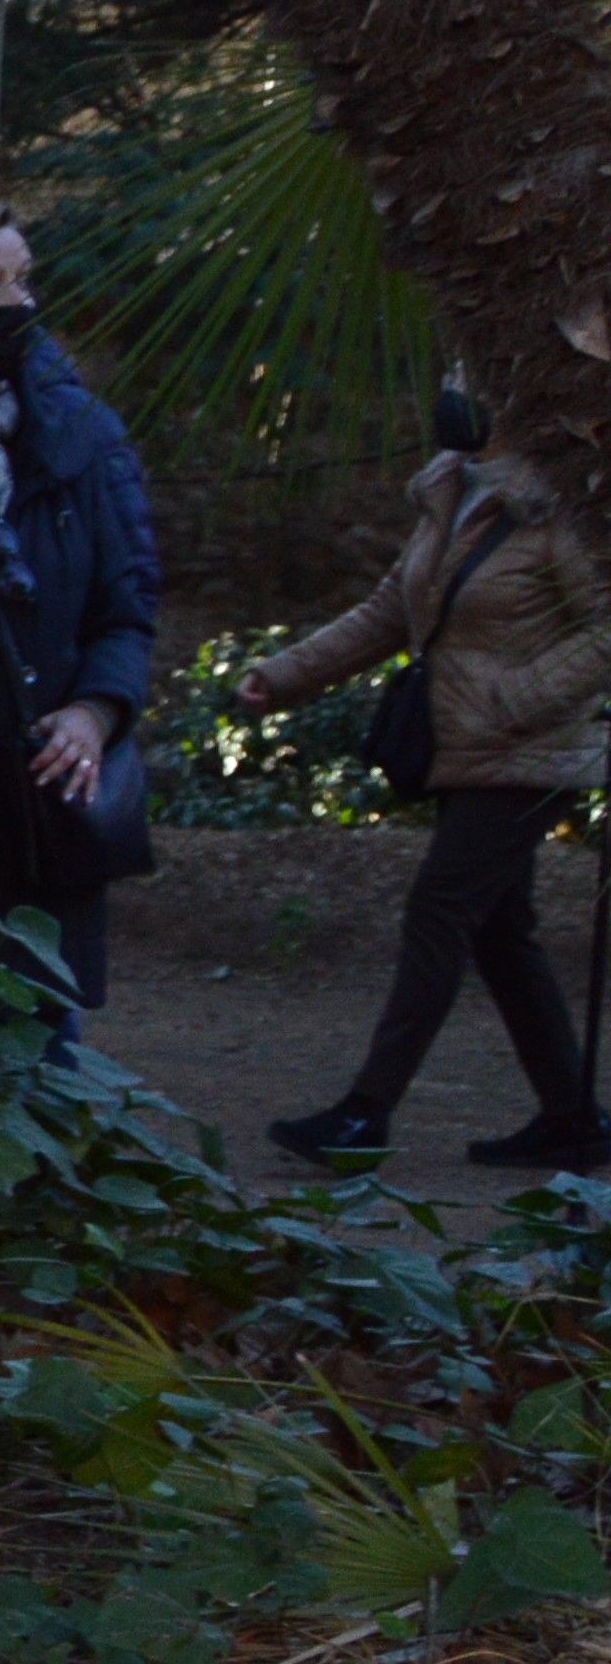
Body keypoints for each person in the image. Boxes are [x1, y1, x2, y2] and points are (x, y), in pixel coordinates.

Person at [250, 388, 607, 1166]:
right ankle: (573, 1118)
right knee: (503, 935)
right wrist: (283, 676)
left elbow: (605, 623)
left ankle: (365, 1112)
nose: (459, 393)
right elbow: (392, 609)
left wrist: (522, 700)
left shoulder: (559, 505)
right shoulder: (452, 487)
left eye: (479, 379)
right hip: (463, 745)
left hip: (525, 754)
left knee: (440, 913)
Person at [0, 215, 159, 1044]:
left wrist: (94, 713)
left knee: (40, 1047)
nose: (21, 303)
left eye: (24, 279)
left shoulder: (81, 436)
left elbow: (126, 608)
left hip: (36, 813)